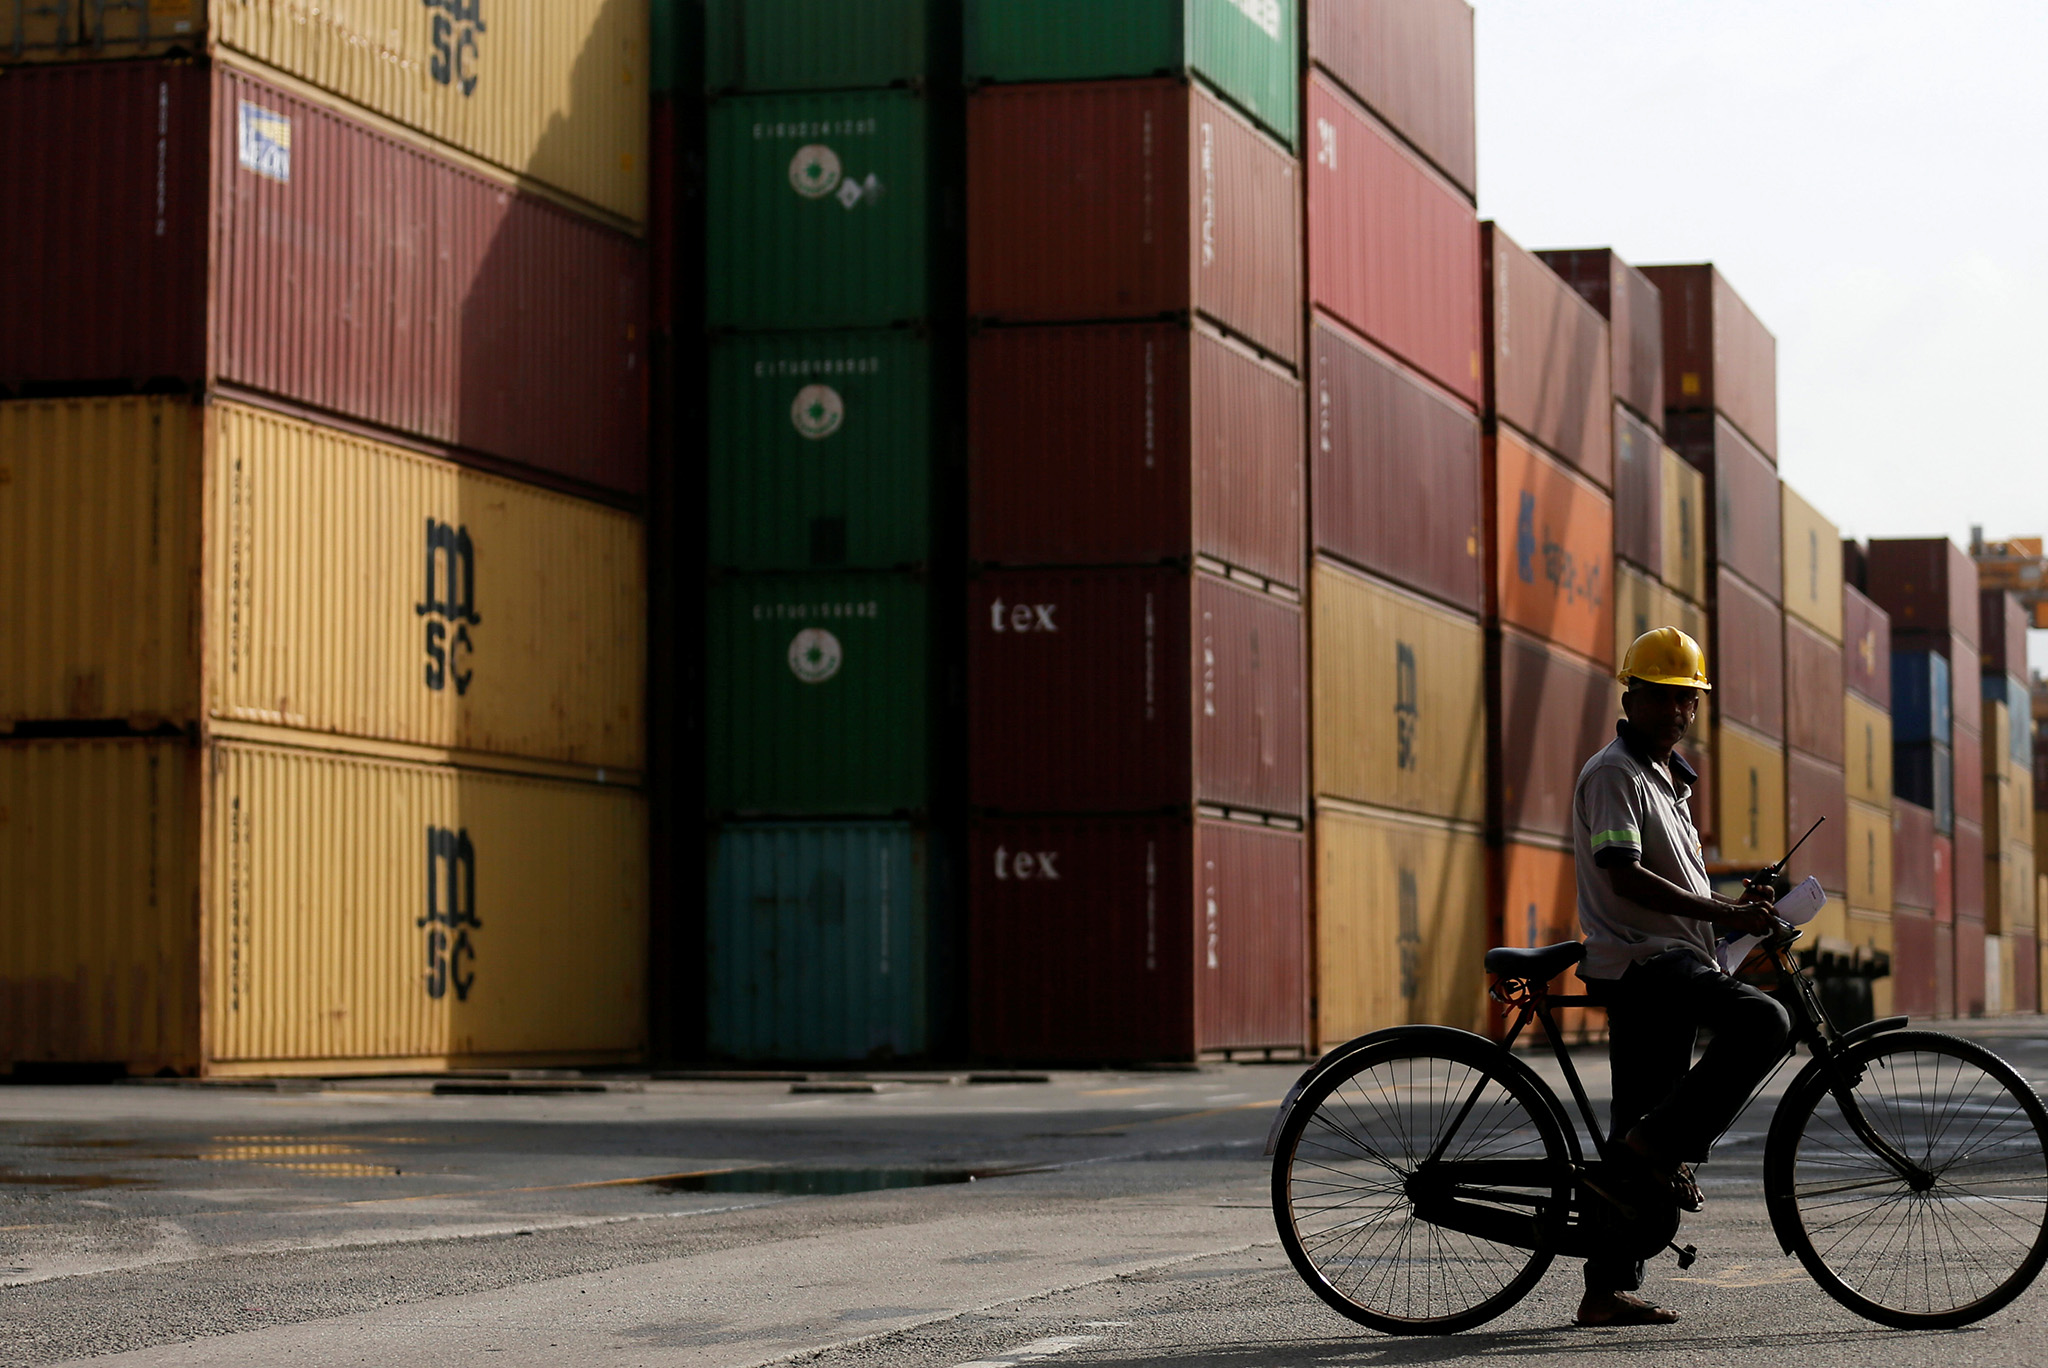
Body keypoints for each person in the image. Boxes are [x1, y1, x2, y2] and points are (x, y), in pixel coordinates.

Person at [1569, 627, 1792, 1328]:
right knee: (1765, 1022)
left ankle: (1607, 1288)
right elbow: (1624, 874)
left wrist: (1739, 917)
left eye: (1686, 700)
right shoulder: (1616, 773)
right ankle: (1660, 1149)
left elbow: (1677, 885)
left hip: (1674, 963)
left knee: (1637, 1132)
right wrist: (1726, 910)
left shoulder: (1670, 782)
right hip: (1642, 961)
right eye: (1662, 697)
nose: (1675, 711)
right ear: (1630, 695)